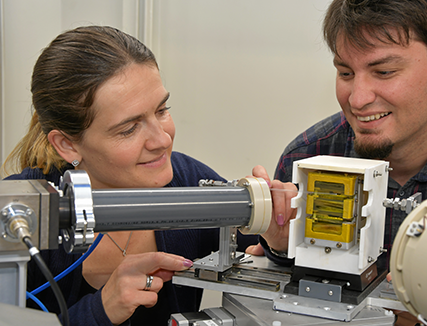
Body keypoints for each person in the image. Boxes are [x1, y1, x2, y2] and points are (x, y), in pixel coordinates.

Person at [2, 25, 294, 326]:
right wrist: (99, 311)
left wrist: (279, 241)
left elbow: (284, 272)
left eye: (162, 110)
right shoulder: (19, 214)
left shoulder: (189, 181)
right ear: (66, 144)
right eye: (128, 129)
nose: (162, 140)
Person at [274, 0, 427, 323]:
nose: (358, 99)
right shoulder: (306, 157)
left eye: (384, 71)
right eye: (346, 73)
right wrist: (279, 247)